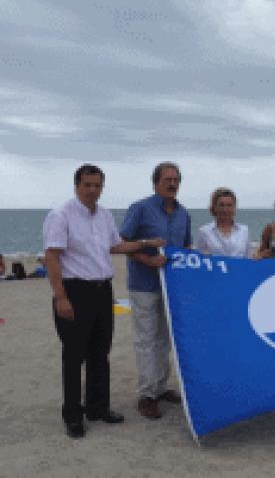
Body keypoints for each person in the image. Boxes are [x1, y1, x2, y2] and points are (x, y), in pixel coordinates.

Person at [43, 164, 164, 439]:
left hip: (102, 291)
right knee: (74, 356)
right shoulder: (60, 215)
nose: (92, 190)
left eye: (97, 185)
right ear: (77, 185)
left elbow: (115, 246)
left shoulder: (105, 215)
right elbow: (51, 256)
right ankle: (73, 415)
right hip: (74, 290)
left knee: (100, 353)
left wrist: (144, 242)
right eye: (87, 185)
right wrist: (60, 297)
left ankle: (98, 408)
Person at [120, 162, 192, 420]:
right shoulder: (140, 208)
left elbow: (185, 248)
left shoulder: (184, 214)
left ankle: (161, 388)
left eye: (176, 180)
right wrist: (148, 259)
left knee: (165, 338)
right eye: (167, 179)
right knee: (146, 340)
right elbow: (122, 243)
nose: (172, 184)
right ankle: (147, 395)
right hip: (144, 285)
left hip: (172, 287)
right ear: (156, 182)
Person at [195, 187, 251, 257]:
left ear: (234, 207)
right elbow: (199, 259)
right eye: (221, 205)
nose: (225, 209)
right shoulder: (204, 232)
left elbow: (247, 258)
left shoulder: (244, 231)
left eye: (229, 205)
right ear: (214, 207)